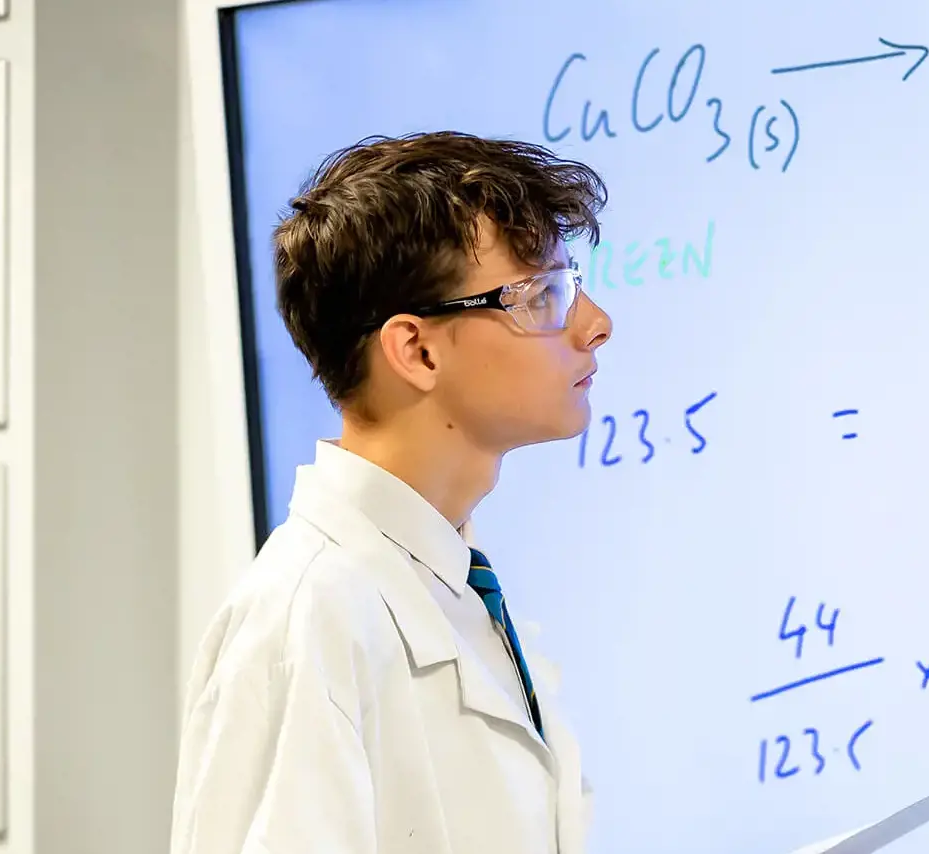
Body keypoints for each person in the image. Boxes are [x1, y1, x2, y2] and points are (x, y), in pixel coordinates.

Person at [169, 131, 613, 854]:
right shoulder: (309, 615)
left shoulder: (449, 584)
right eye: (543, 295)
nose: (595, 325)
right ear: (416, 350)